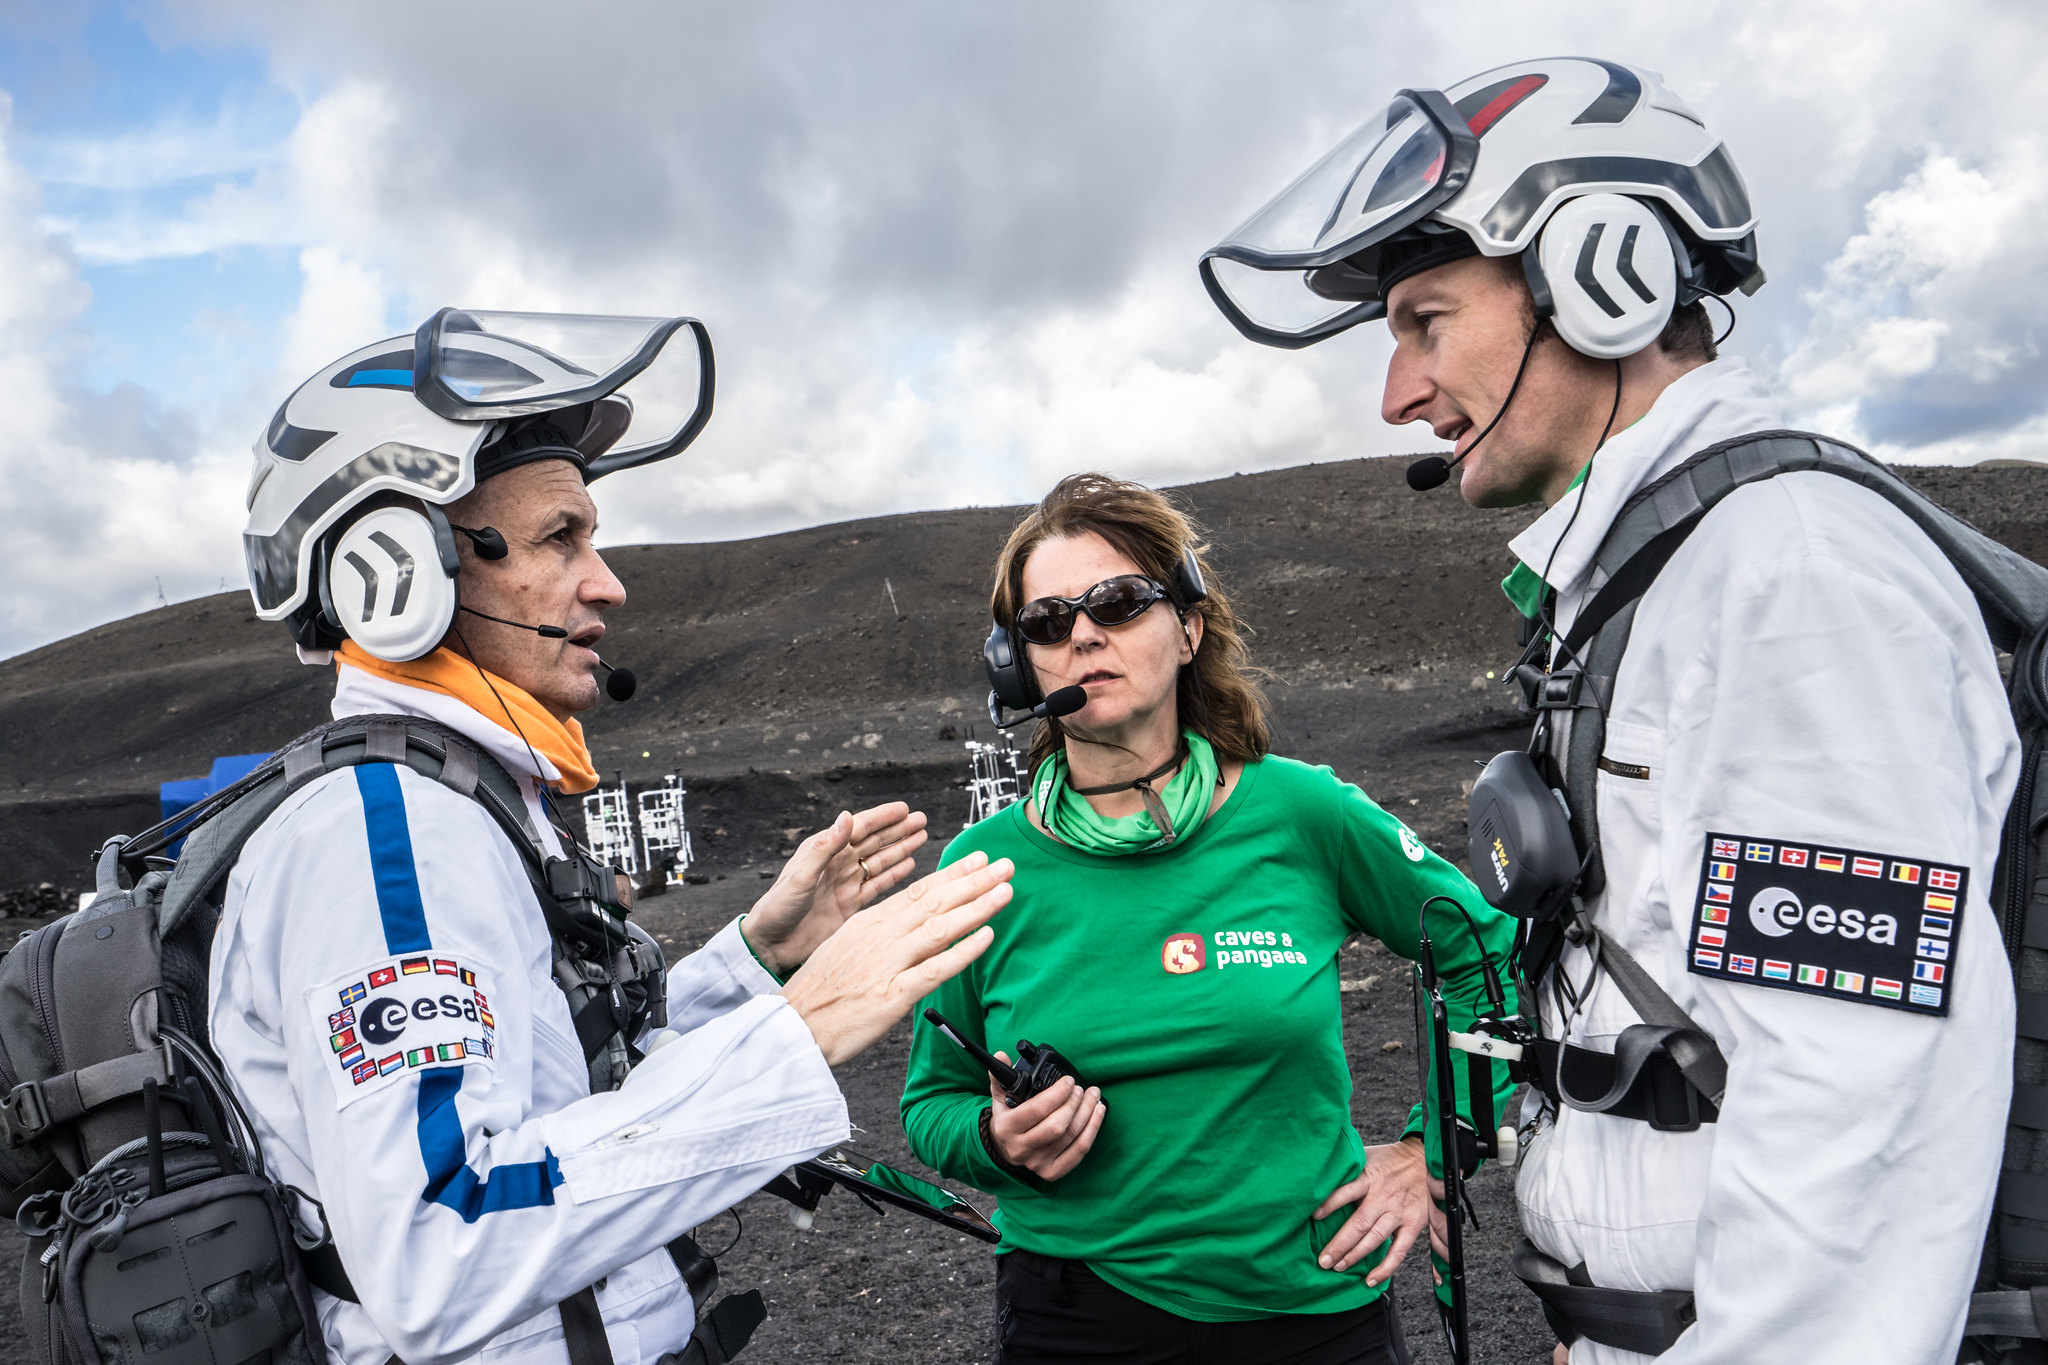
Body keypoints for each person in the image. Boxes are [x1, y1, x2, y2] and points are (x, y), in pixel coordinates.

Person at [1202, 57, 2017, 1364]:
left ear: (1608, 274)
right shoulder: (1670, 578)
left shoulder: (1790, 582)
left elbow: (1861, 1117)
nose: (1397, 393)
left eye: (1424, 320)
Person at [218, 311, 1014, 1365]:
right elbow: (440, 1241)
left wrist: (758, 960)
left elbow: (559, 1086)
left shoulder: (453, 804)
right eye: (561, 538)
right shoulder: (383, 835)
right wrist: (802, 1031)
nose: (607, 583)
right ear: (391, 570)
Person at [899, 473, 1519, 1364]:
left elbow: (1486, 955)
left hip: (1311, 1311)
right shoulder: (980, 870)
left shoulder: (1304, 813)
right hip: (1075, 1315)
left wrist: (1432, 1151)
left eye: (1117, 602)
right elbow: (930, 1103)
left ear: (1188, 628)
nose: (1082, 633)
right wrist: (997, 1138)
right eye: (1047, 620)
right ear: (1019, 663)